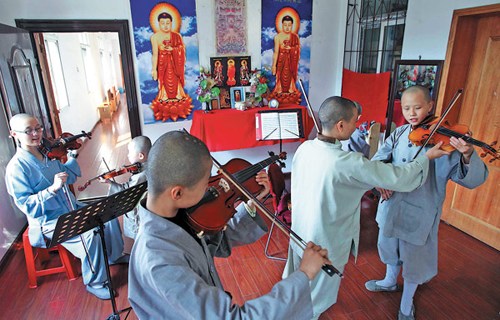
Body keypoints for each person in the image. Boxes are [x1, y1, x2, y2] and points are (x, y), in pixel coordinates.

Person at [128, 131, 331, 319]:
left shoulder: (174, 212)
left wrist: (252, 201)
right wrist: (304, 274)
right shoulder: (160, 262)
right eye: (206, 182)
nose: (214, 188)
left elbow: (216, 242)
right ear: (178, 192)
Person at [282, 96, 450, 319]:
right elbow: (398, 178)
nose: (357, 126)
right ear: (341, 125)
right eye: (355, 121)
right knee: (315, 299)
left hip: (300, 231)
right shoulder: (347, 162)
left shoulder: (305, 148)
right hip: (324, 242)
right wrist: (425, 158)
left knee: (296, 286)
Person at [365, 85, 488, 320]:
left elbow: (470, 178)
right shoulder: (399, 133)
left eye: (418, 107)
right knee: (389, 245)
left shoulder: (445, 142)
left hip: (421, 208)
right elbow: (378, 161)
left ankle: (406, 302)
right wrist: (379, 182)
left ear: (430, 106)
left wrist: (467, 155)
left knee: (415, 258)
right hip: (392, 203)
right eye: (407, 108)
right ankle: (390, 281)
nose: (412, 113)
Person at [5, 113, 126, 300]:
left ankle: (114, 256)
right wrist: (52, 189)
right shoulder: (17, 167)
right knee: (90, 233)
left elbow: (69, 175)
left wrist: (72, 155)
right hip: (49, 221)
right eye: (28, 131)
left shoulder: (48, 154)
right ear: (14, 134)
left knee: (107, 212)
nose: (36, 134)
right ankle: (95, 282)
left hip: (71, 208)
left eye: (38, 128)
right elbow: (27, 205)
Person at [100, 136, 151, 240]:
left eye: (129, 152)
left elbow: (126, 193)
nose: (127, 155)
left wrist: (110, 183)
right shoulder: (150, 166)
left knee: (140, 240)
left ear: (141, 156)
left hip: (140, 217)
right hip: (150, 211)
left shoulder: (141, 176)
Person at [151, 12, 187, 101]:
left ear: (171, 23)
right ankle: (164, 95)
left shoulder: (177, 36)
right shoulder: (155, 37)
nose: (165, 26)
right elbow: (155, 55)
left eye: (168, 23)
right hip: (162, 63)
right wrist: (154, 69)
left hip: (174, 62)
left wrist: (173, 49)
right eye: (162, 23)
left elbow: (182, 49)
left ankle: (178, 93)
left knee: (176, 78)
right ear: (158, 24)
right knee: (163, 79)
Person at [271, 15, 300, 95]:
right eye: (285, 25)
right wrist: (274, 66)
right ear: (282, 25)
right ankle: (279, 88)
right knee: (280, 74)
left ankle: (291, 88)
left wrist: (291, 48)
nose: (287, 27)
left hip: (291, 60)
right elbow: (276, 52)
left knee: (290, 73)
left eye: (289, 25)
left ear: (292, 26)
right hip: (281, 59)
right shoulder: (278, 37)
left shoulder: (295, 37)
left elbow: (297, 49)